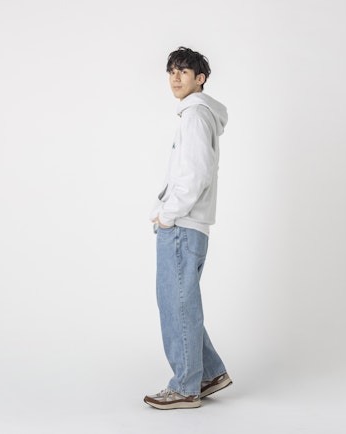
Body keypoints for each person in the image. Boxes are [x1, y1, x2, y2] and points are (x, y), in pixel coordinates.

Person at [144, 47, 232, 410]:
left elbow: (195, 174)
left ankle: (185, 387)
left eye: (184, 71)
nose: (176, 77)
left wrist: (168, 214)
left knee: (175, 306)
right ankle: (209, 374)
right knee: (184, 304)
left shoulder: (195, 115)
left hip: (182, 225)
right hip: (190, 225)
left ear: (201, 78)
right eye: (171, 72)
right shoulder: (198, 114)